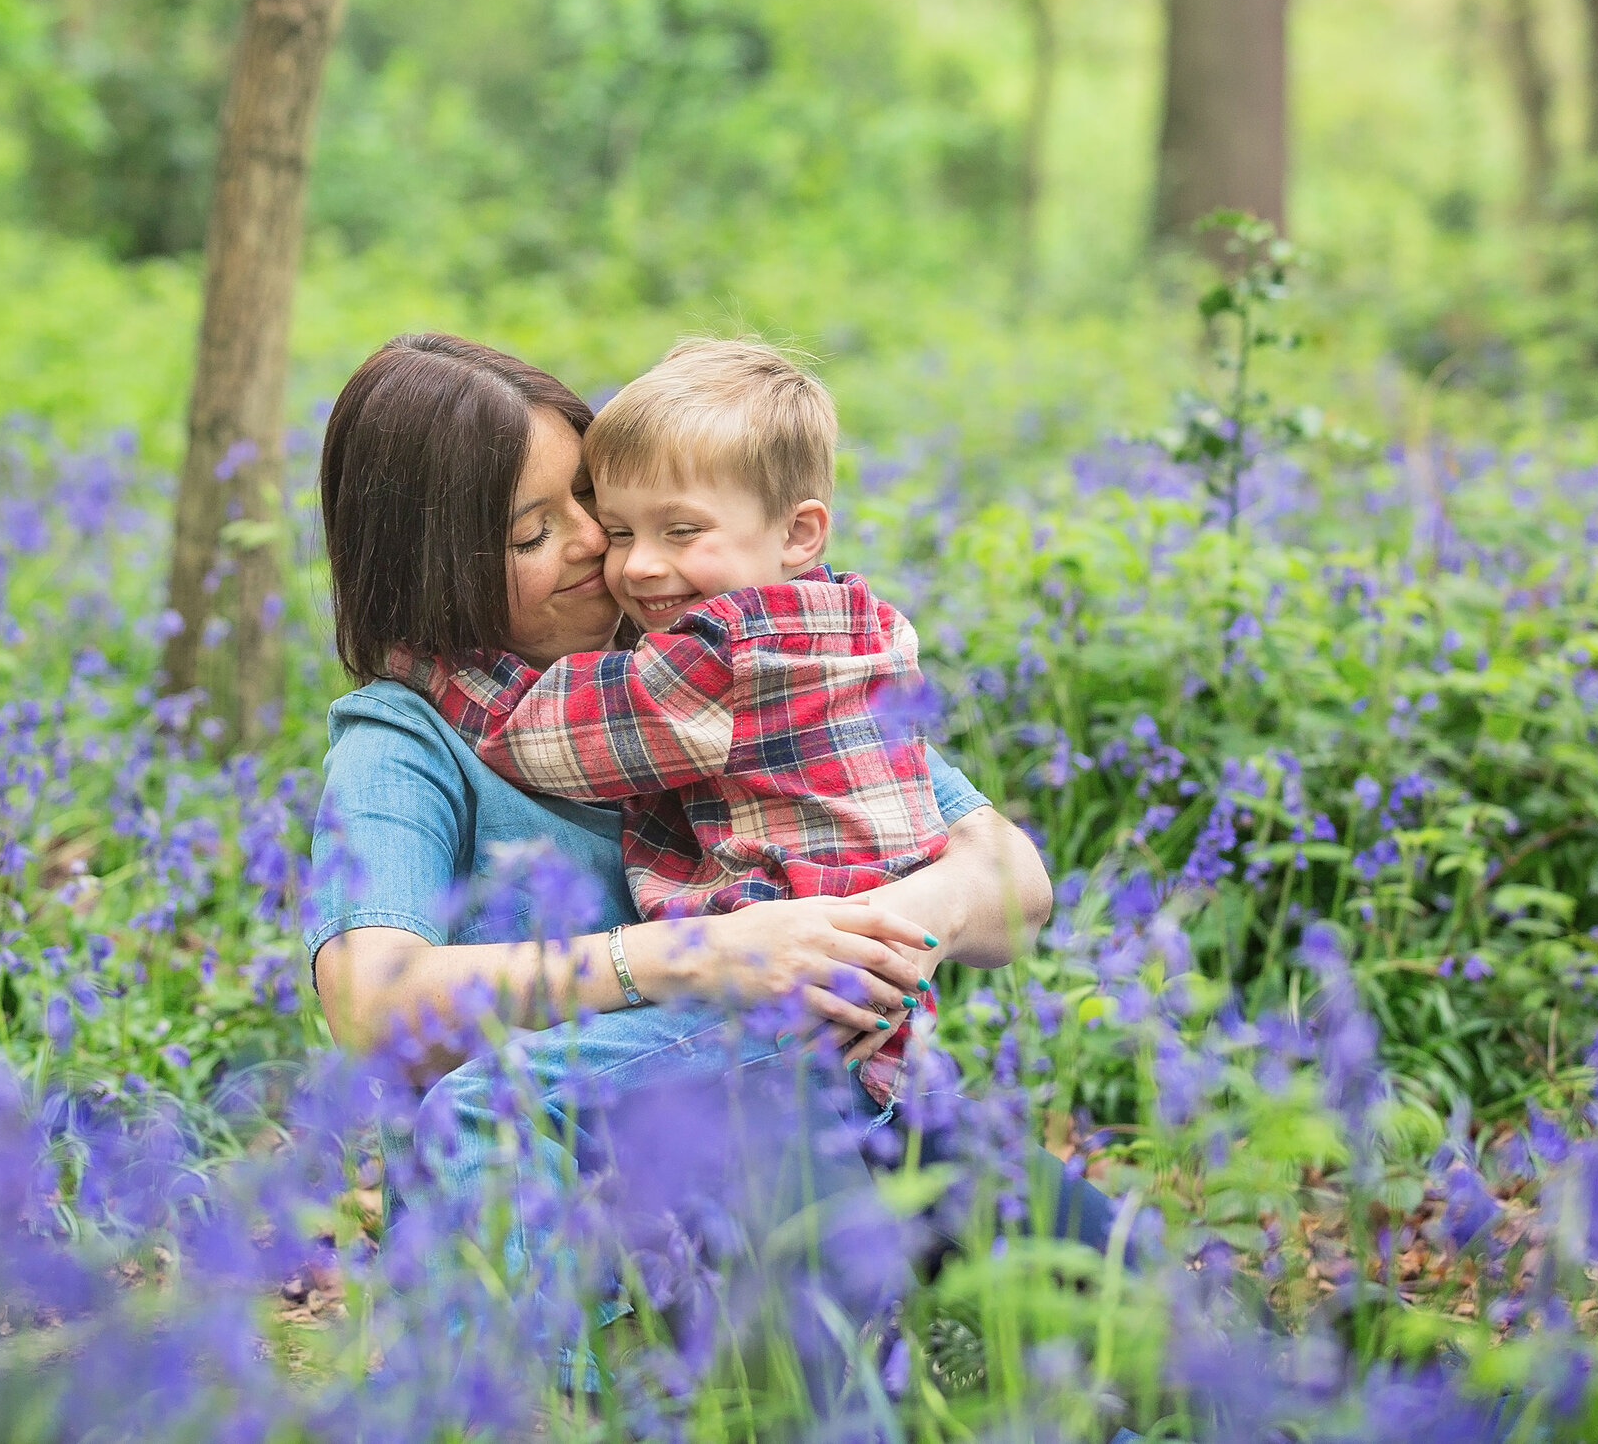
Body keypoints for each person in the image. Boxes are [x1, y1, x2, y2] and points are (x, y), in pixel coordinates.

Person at [302, 332, 1115, 1344]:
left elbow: (1010, 874)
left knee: (1143, 1300)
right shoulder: (405, 734)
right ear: (434, 564)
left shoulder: (706, 655)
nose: (601, 548)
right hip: (596, 1200)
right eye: (531, 533)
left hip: (828, 1103)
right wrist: (706, 955)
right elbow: (372, 1004)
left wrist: (850, 942)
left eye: (591, 503)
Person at [383, 339, 949, 1105]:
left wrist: (425, 662)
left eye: (680, 531)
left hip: (786, 1017)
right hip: (873, 1031)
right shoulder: (864, 625)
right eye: (620, 530)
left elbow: (534, 728)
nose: (638, 565)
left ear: (798, 532)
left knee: (486, 1102)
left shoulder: (731, 659)